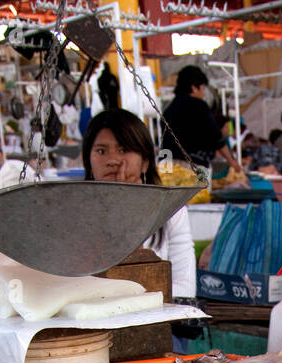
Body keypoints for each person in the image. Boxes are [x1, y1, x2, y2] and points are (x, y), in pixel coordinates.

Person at [82, 109, 196, 297]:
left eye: (123, 150)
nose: (112, 160)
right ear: (89, 160)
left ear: (145, 162)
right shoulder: (74, 211)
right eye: (101, 151)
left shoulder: (171, 211)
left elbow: (185, 289)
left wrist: (130, 210)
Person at [160, 65, 242, 180]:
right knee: (198, 197)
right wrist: (231, 161)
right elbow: (216, 138)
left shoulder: (168, 110)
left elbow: (165, 144)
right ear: (194, 88)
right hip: (192, 168)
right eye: (202, 89)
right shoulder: (199, 106)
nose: (203, 94)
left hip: (168, 167)